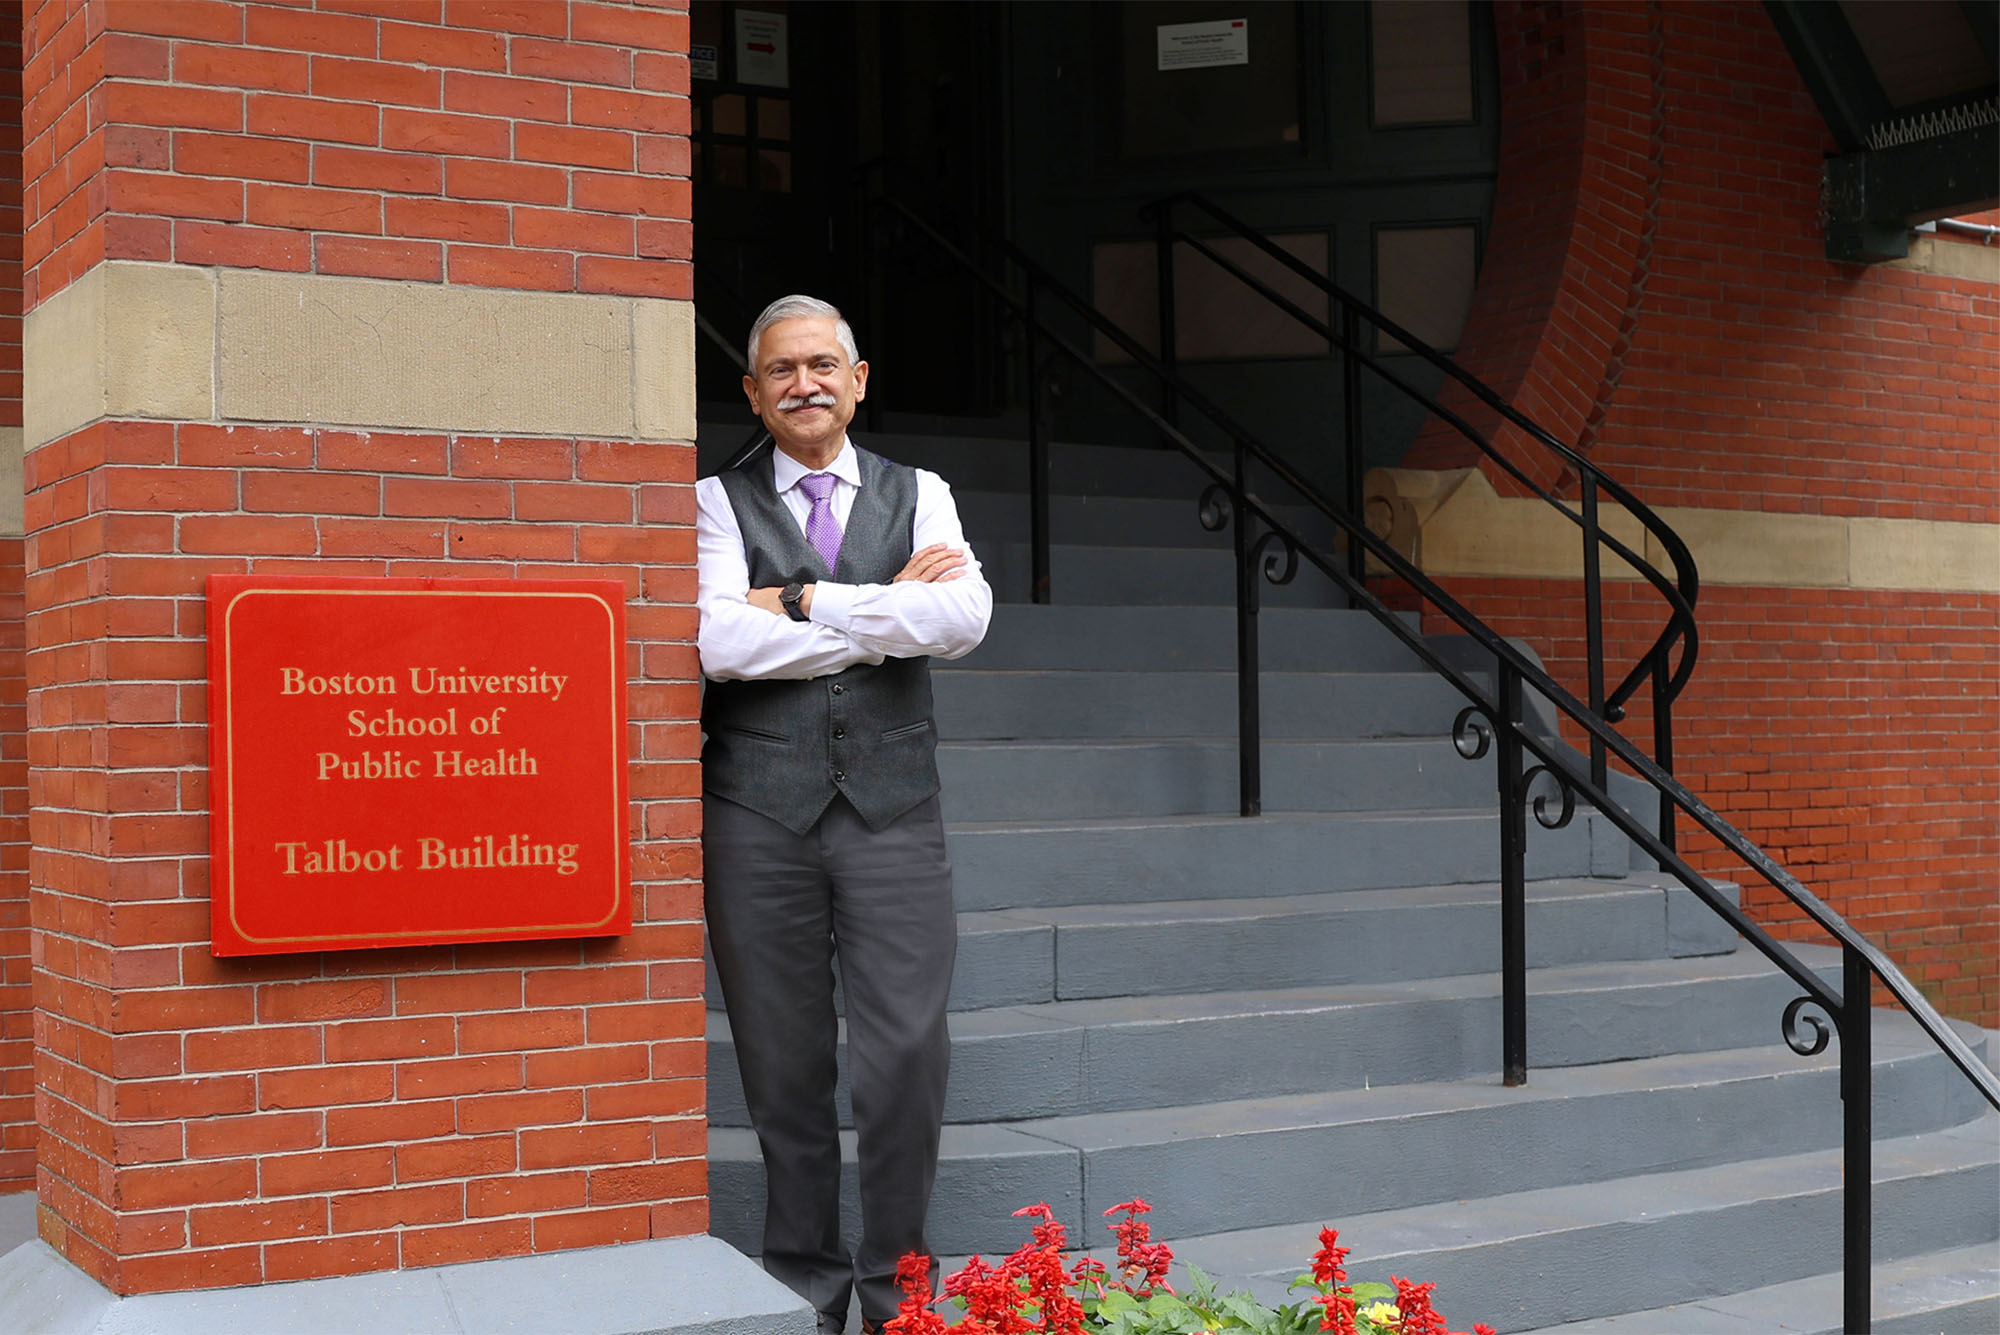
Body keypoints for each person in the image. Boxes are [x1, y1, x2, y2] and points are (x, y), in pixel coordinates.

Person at [695, 294, 992, 1334]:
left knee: (905, 1053)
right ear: (752, 391)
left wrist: (807, 601)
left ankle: (897, 1292)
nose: (804, 384)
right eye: (781, 370)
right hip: (754, 818)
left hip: (892, 813)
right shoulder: (712, 502)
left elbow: (958, 618)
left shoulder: (925, 492)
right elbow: (720, 649)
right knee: (781, 1065)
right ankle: (804, 1290)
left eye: (823, 364)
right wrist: (882, 612)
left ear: (858, 380)